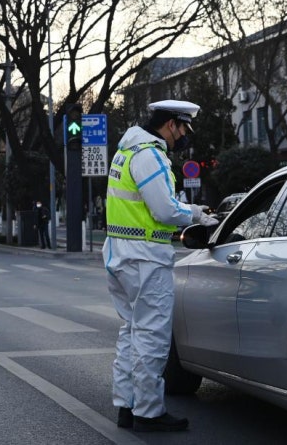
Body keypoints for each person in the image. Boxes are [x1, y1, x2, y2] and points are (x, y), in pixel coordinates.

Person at [102, 99, 218, 433]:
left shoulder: (126, 152)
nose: (183, 136)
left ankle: (126, 405)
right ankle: (149, 412)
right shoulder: (150, 154)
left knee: (131, 333)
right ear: (171, 124)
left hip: (122, 254)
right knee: (151, 337)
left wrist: (192, 209)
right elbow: (164, 211)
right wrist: (195, 216)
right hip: (145, 258)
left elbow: (154, 203)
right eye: (183, 128)